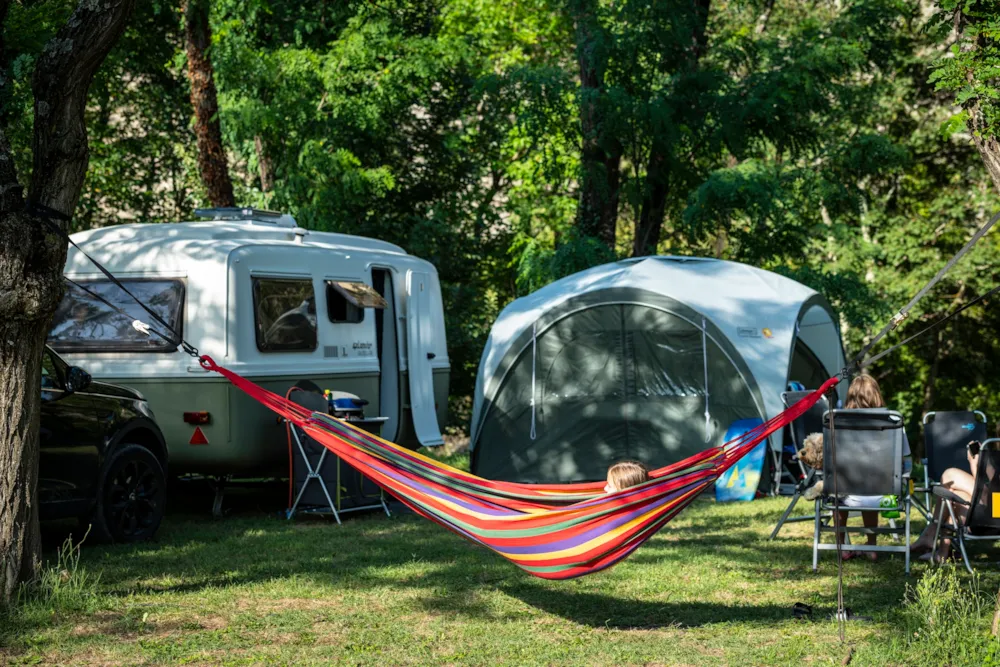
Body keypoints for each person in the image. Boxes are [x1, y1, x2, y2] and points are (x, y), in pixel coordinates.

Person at [835, 374, 912, 562]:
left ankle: (841, 548)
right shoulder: (893, 420)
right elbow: (906, 459)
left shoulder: (837, 421)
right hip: (883, 493)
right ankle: (871, 545)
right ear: (876, 395)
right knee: (871, 484)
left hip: (847, 495)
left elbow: (832, 460)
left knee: (839, 488)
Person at [910, 440, 982, 562]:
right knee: (955, 495)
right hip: (992, 509)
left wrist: (975, 463)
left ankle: (930, 532)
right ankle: (942, 552)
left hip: (994, 510)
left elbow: (986, 492)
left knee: (950, 475)